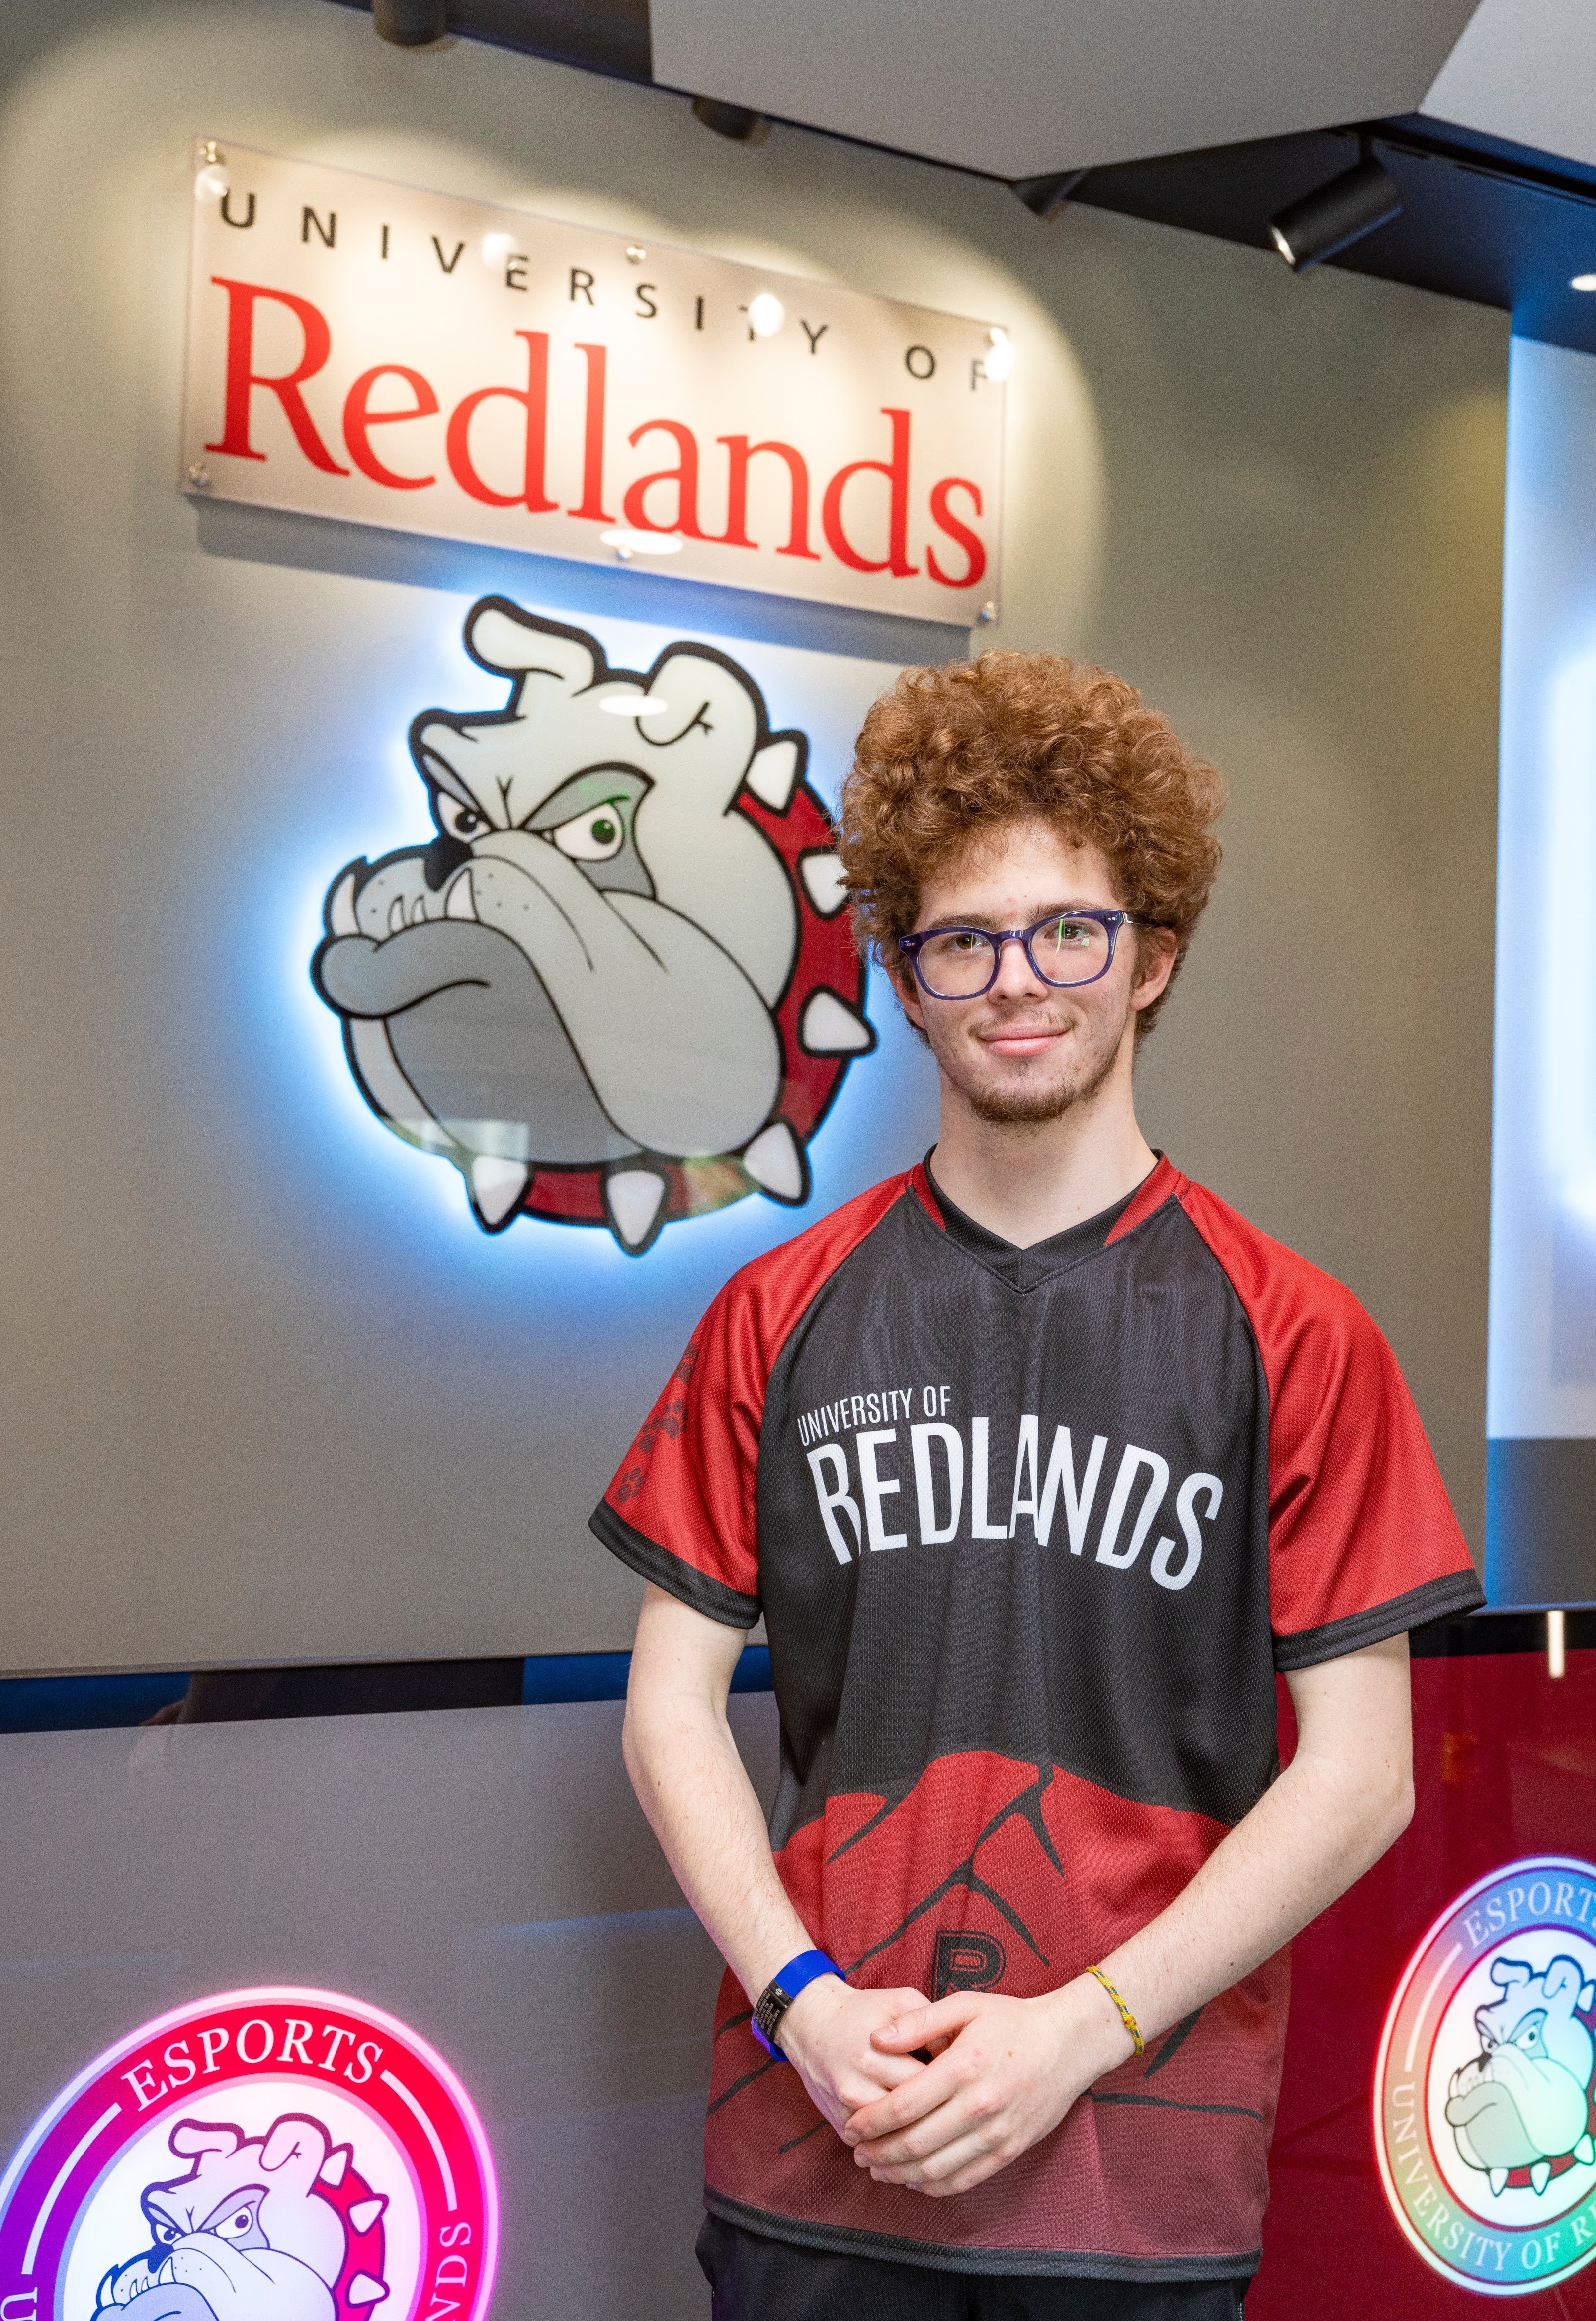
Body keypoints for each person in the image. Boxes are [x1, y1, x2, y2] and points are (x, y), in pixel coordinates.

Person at [591, 653, 1483, 2320]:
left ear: (1150, 957)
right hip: (817, 2139)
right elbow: (666, 1709)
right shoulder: (777, 1315)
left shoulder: (1292, 1334)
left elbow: (1360, 1777)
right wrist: (802, 2002)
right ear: (906, 979)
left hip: (1135, 2174)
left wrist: (1079, 2029)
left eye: (1067, 930)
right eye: (960, 940)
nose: (1017, 981)